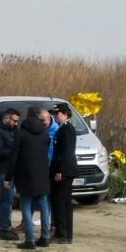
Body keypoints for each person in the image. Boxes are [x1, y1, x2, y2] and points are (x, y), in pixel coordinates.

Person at [5, 107, 51, 249]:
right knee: (43, 207)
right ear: (38, 117)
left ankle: (30, 240)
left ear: (27, 116)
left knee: (26, 206)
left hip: (25, 175)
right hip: (43, 175)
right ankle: (45, 237)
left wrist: (8, 177)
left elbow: (13, 157)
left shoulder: (21, 133)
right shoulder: (44, 133)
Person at [49, 103, 78, 244]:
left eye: (58, 114)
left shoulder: (66, 129)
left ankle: (62, 234)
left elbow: (66, 152)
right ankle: (66, 234)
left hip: (64, 170)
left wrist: (60, 171)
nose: (55, 116)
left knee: (60, 202)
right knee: (63, 202)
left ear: (66, 114)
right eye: (54, 114)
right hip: (65, 169)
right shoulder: (63, 128)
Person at [0, 108, 21, 240]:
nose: (16, 123)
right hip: (3, 170)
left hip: (11, 169)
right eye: (14, 120)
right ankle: (4, 228)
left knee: (7, 199)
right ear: (7, 118)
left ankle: (5, 225)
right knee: (6, 199)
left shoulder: (12, 131)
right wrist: (14, 152)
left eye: (17, 121)